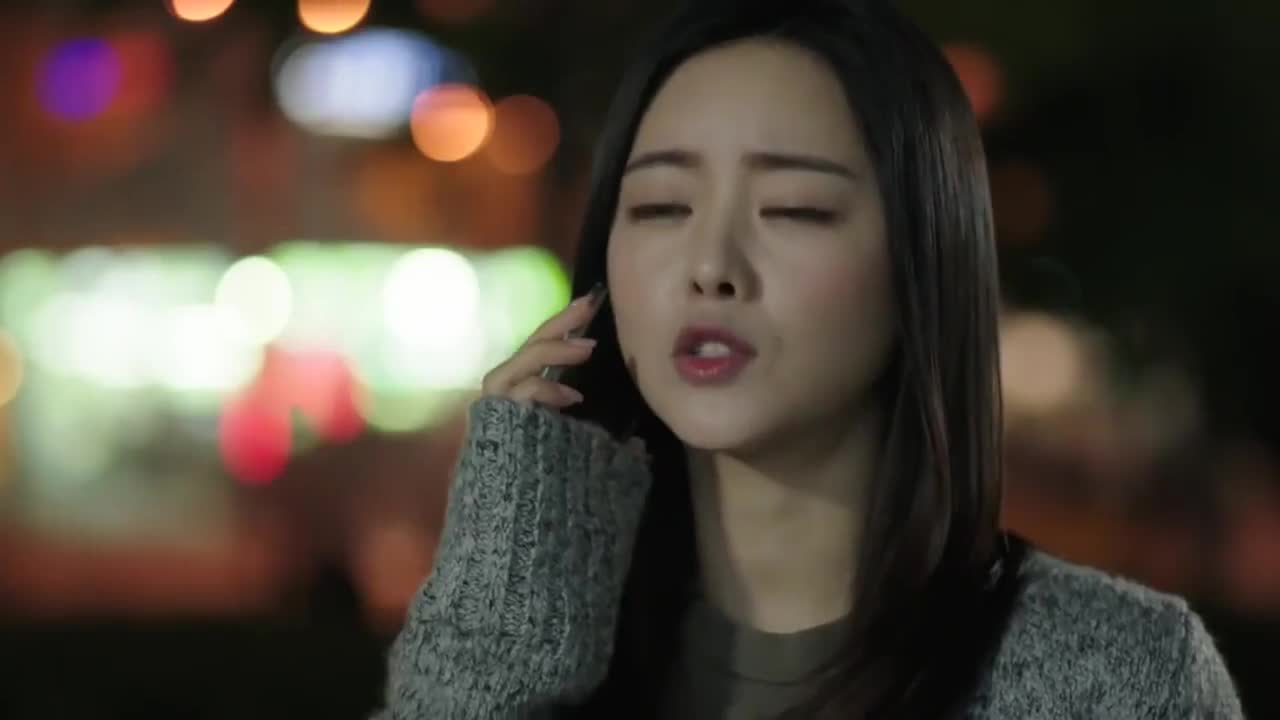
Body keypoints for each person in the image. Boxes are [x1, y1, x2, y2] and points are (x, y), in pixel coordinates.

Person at [373, 0, 1245, 717]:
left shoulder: (1116, 676)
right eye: (662, 206)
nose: (710, 265)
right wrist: (496, 627)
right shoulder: (535, 647)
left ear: (922, 262)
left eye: (793, 209)